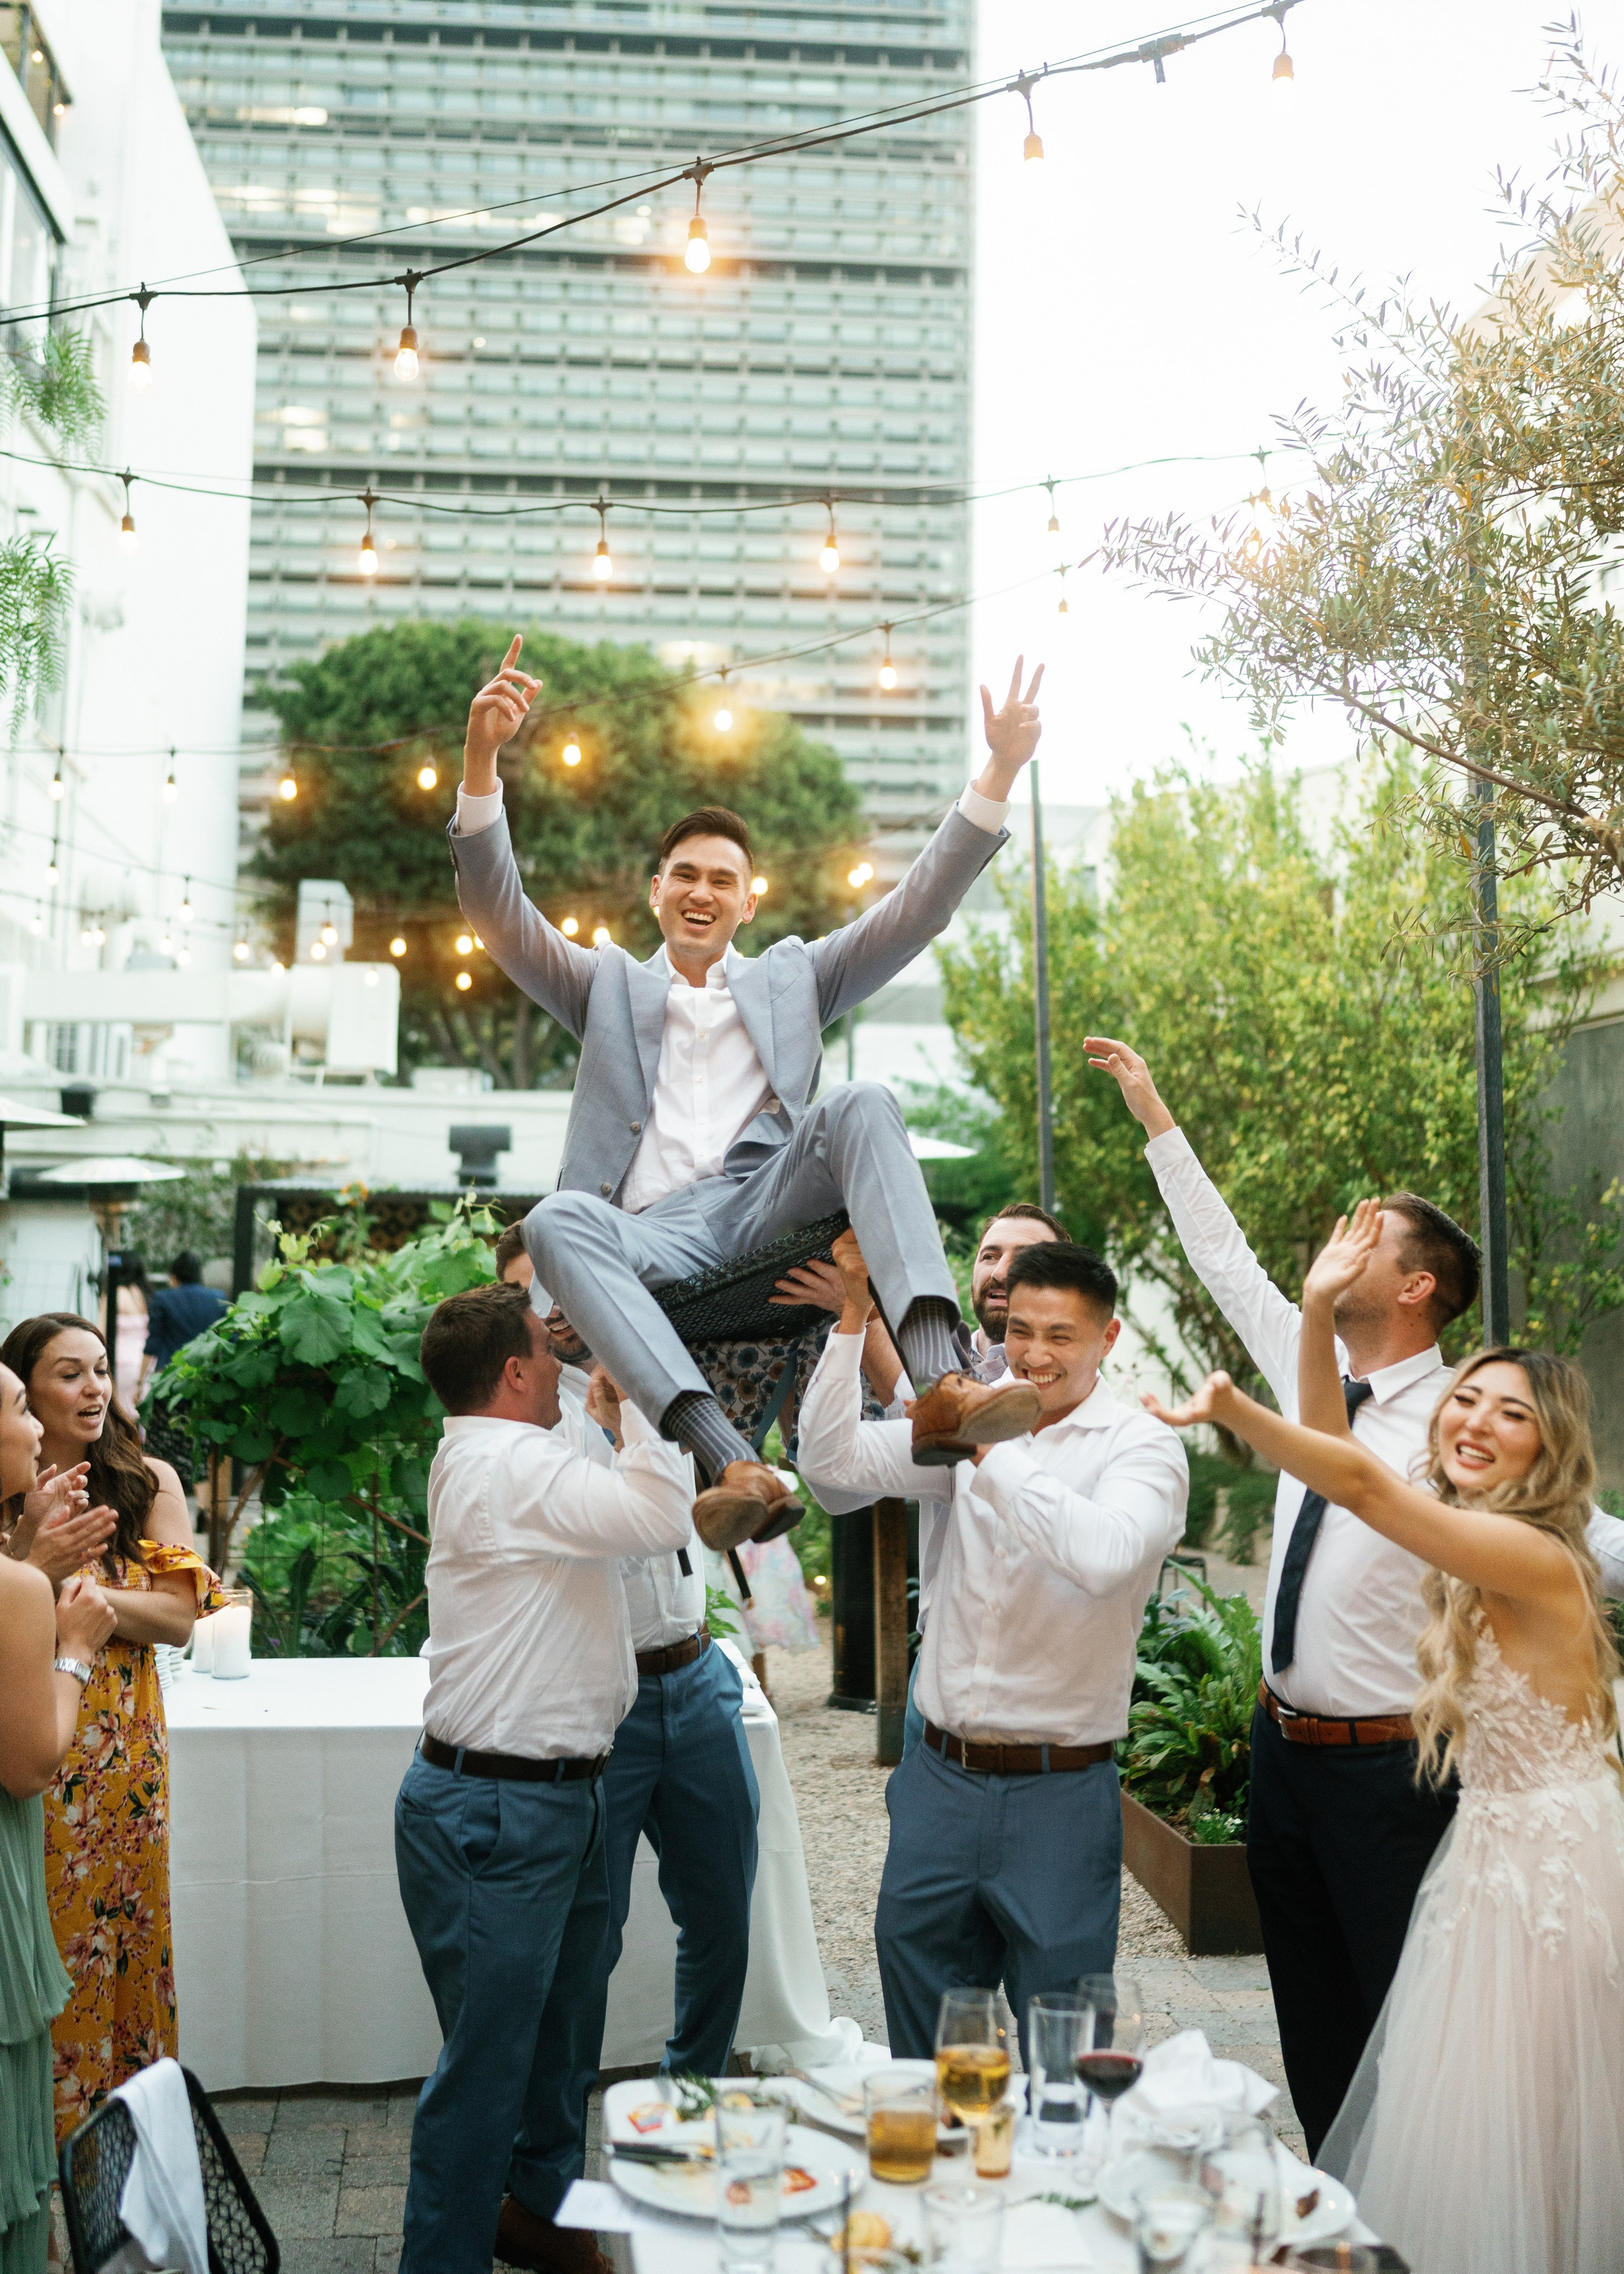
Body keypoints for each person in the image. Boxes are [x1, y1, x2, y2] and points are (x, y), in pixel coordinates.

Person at [1085, 1033, 1624, 2157]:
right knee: (1316, 2027)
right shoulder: (1310, 1369)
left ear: (1418, 1284)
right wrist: (1153, 1113)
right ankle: (1344, 2199)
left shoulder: (1467, 1436)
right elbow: (1226, 1261)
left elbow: (1580, 1536)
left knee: (1412, 2036)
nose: (1337, 1243)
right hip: (1282, 1751)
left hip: (1396, 1774)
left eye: (1364, 1237)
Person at [449, 638, 1047, 1545]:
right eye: (684, 875)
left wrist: (999, 767)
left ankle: (942, 1386)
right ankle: (727, 1457)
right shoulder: (604, 983)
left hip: (764, 1205)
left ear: (749, 902)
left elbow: (918, 908)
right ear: (656, 894)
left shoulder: (796, 979)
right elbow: (499, 916)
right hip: (649, 1235)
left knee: (861, 1101)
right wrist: (482, 760)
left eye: (721, 880)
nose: (701, 891)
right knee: (554, 1220)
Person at [1144, 1201, 1624, 2274]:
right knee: (1458, 2107)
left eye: (1511, 1414)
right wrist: (1314, 1310)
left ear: (1550, 1447)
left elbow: (1348, 1476)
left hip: (1547, 1871)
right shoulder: (1475, 1527)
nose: (1476, 1422)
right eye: (1468, 1403)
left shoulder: (1531, 1553)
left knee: (1529, 2111)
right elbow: (1337, 1455)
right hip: (1488, 1852)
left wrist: (1229, 1405)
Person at [796, 1235, 1188, 2058]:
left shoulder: (1142, 1448)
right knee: (927, 2030)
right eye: (1022, 1333)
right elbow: (831, 1467)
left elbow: (1102, 1555)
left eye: (1061, 1336)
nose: (1034, 1355)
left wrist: (984, 1443)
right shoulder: (974, 1405)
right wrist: (850, 1319)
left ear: (1107, 1339)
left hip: (1061, 1792)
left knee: (1066, 2041)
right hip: (938, 1779)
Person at [396, 1280, 691, 2274]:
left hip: (556, 1796)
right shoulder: (507, 1462)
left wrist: (605, 1414)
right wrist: (652, 1392)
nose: (564, 1360)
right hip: (499, 1809)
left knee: (562, 2035)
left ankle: (533, 2215)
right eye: (547, 1348)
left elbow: (610, 1502)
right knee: (485, 2073)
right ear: (516, 1373)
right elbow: (658, 1515)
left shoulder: (507, 1451)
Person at [494, 1226, 764, 2082]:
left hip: (696, 1675)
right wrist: (614, 1432)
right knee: (589, 1936)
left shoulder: (661, 1376)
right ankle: (556, 2139)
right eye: (533, 1292)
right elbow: (620, 1519)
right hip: (602, 1703)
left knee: (723, 1912)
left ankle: (698, 2090)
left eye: (567, 1283)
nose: (558, 1306)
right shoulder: (525, 1423)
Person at [0, 1315, 216, 2142]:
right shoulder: (9, 1493)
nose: (94, 1389)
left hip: (124, 1759)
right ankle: (41, 2142)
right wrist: (37, 1567)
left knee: (125, 1939)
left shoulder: (147, 1480)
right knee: (47, 1942)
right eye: (67, 1374)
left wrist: (62, 1595)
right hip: (36, 1742)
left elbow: (179, 1617)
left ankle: (128, 2148)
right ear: (25, 1390)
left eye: (100, 1370)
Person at [0, 1367, 114, 2274]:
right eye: (15, 1408)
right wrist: (73, 1654)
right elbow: (31, 1763)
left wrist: (28, 1544)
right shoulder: (17, 1592)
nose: (34, 1424)